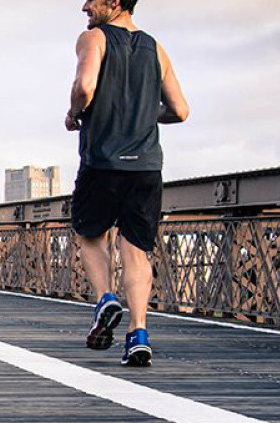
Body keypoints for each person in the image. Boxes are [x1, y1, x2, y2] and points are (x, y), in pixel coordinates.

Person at [65, 0, 189, 367]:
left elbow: (85, 87)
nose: (84, 6)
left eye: (93, 0)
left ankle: (105, 299)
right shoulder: (156, 48)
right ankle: (138, 335)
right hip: (147, 166)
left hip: (103, 160)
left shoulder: (94, 38)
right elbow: (180, 110)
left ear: (115, 3)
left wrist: (75, 114)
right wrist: (145, 115)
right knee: (136, 250)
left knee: (90, 234)